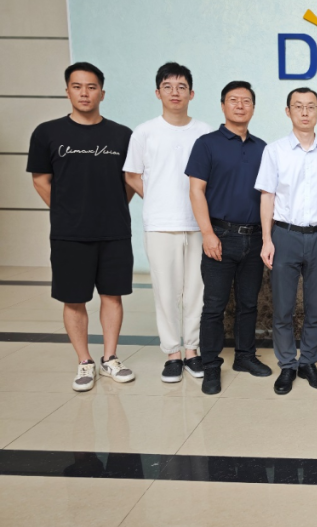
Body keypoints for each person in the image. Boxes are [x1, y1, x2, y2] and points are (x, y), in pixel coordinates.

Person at [27, 62, 136, 392]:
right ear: (68, 91)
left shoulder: (122, 135)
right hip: (69, 234)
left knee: (112, 296)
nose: (84, 93)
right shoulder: (47, 133)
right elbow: (41, 180)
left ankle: (110, 358)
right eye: (77, 86)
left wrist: (112, 208)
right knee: (73, 299)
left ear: (102, 92)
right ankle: (85, 361)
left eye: (91, 87)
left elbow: (130, 181)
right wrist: (67, 212)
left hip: (114, 231)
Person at [123, 62, 211, 383]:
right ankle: (172, 353)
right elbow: (132, 175)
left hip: (198, 224)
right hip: (160, 224)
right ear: (158, 92)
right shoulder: (144, 132)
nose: (175, 92)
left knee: (196, 291)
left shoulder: (205, 132)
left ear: (192, 93)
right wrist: (158, 199)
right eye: (168, 86)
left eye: (181, 87)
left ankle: (192, 349)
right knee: (165, 291)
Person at [255, 88, 317, 395]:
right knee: (283, 308)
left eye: (310, 107)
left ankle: (308, 362)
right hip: (285, 236)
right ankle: (287, 365)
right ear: (288, 111)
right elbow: (267, 197)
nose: (304, 112)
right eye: (298, 106)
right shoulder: (275, 151)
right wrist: (267, 239)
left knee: (316, 308)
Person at [185, 81, 271, 395]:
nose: (240, 105)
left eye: (246, 101)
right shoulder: (206, 144)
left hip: (255, 237)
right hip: (219, 235)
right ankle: (210, 366)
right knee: (214, 306)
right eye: (233, 100)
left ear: (253, 108)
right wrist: (208, 233)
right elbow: (196, 191)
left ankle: (244, 357)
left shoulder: (263, 148)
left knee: (248, 303)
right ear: (223, 106)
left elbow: (269, 195)